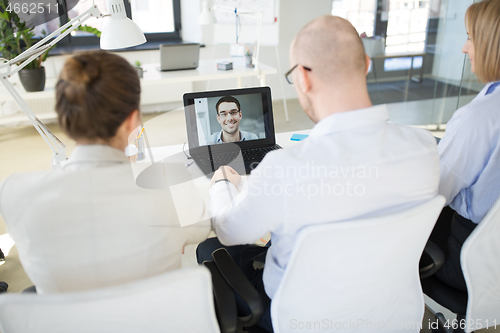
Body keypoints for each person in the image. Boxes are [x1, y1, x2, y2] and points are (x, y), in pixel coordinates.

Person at [197, 15, 440, 332]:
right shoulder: (424, 149)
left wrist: (220, 186)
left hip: (301, 318)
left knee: (213, 249)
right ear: (365, 64)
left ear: (303, 79)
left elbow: (229, 230)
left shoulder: (286, 169)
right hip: (394, 311)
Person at [0, 50, 210, 294]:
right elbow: (202, 229)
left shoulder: (15, 192)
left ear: (64, 118)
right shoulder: (170, 181)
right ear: (133, 120)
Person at [428, 0, 500, 292]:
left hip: (471, 259)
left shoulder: (481, 117)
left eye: (470, 37)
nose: (464, 48)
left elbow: (435, 191)